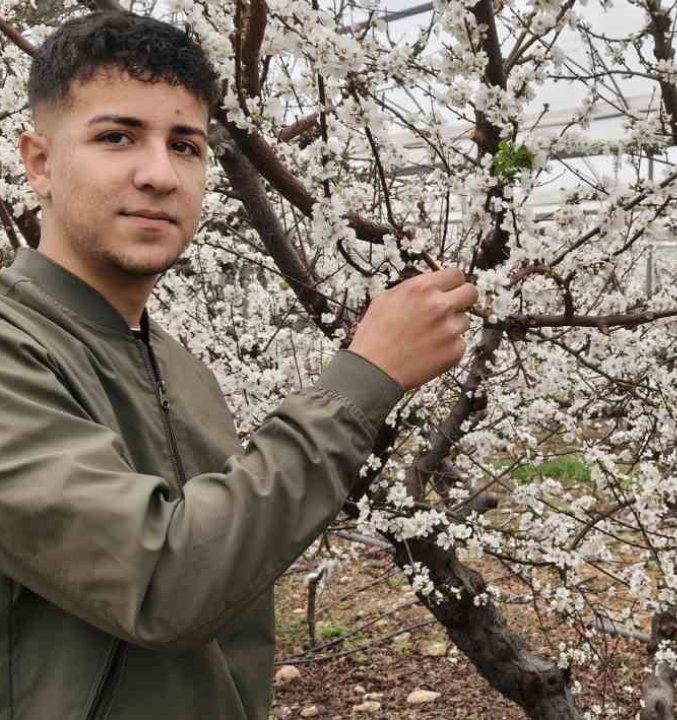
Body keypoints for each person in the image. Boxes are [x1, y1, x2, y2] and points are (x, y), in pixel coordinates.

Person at [2, 10, 477, 720]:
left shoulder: (179, 366)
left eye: (186, 146)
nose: (159, 175)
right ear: (38, 160)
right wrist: (363, 379)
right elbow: (164, 585)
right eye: (116, 137)